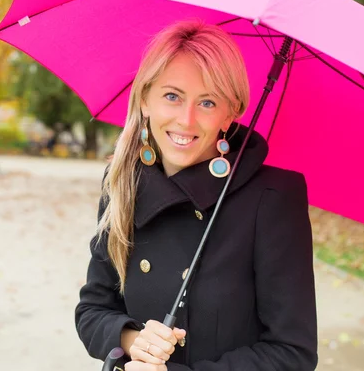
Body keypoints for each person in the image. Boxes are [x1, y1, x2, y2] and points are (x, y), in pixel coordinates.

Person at [75, 19, 318, 371]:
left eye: (207, 102)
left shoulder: (273, 198)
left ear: (230, 112)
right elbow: (93, 309)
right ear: (145, 100)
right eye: (172, 96)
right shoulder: (121, 184)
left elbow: (293, 353)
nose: (186, 120)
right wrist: (134, 341)